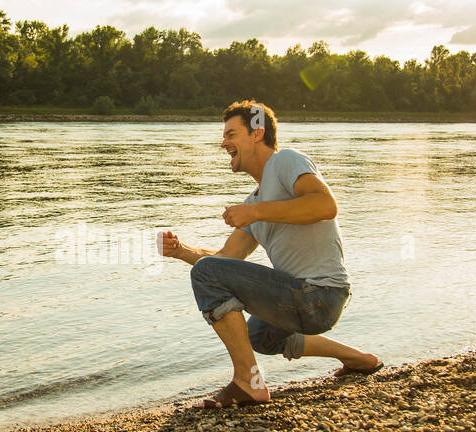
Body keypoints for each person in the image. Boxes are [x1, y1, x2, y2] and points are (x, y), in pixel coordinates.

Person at [160, 100, 382, 408]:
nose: (224, 143)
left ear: (256, 134)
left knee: (207, 273)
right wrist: (182, 251)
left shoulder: (286, 162)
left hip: (320, 294)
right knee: (259, 335)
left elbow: (325, 205)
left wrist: (255, 213)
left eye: (231, 134)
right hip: (307, 303)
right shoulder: (255, 200)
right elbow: (225, 258)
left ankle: (247, 383)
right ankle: (357, 359)